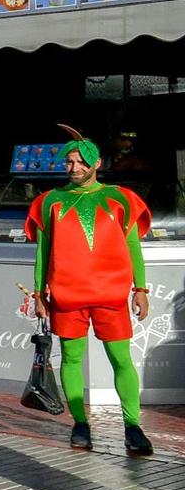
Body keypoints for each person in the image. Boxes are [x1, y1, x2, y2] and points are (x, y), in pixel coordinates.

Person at [27, 136, 156, 457]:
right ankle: (80, 424)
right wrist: (39, 293)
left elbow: (133, 248)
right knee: (71, 360)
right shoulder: (48, 201)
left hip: (110, 295)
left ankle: (133, 427)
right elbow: (43, 253)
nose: (74, 168)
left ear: (97, 163)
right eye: (69, 162)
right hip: (66, 295)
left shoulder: (120, 199)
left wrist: (140, 289)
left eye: (81, 162)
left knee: (121, 360)